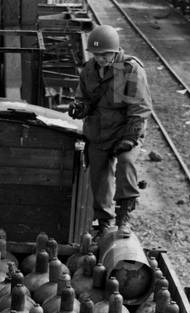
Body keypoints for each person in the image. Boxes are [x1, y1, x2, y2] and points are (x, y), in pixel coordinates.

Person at [68, 25, 153, 235]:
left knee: (126, 162)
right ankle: (104, 222)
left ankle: (124, 215)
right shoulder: (89, 70)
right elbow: (84, 98)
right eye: (96, 55)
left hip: (125, 131)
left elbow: (139, 107)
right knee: (98, 176)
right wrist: (79, 108)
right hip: (99, 131)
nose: (100, 59)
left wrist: (131, 138)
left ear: (115, 52)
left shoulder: (129, 70)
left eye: (105, 55)